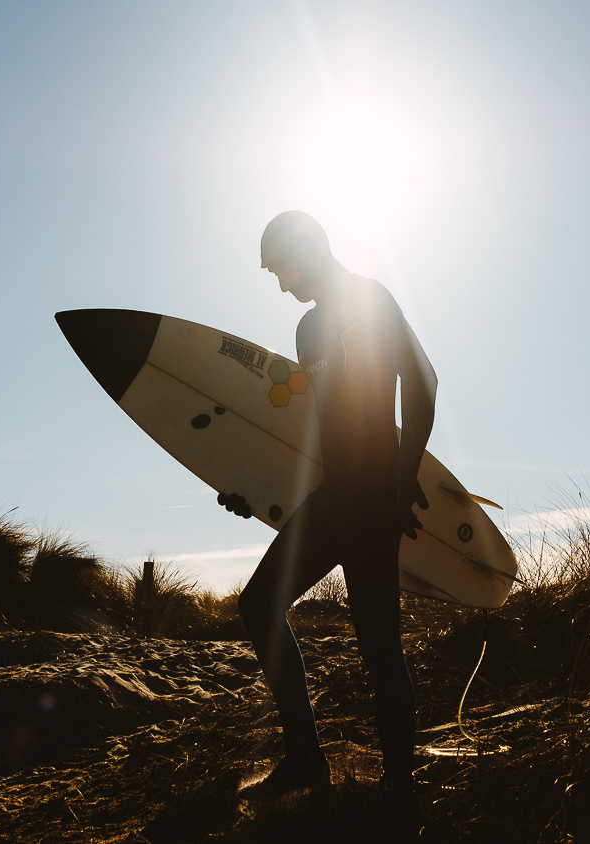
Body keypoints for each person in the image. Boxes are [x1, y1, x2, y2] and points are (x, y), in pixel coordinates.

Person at [234, 210, 437, 799]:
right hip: (335, 495)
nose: (281, 284)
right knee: (259, 604)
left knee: (378, 646)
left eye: (281, 268)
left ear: (310, 248)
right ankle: (306, 760)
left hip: (375, 495)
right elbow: (314, 430)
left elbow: (422, 383)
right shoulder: (307, 331)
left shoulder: (371, 299)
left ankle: (401, 784)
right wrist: (252, 489)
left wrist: (403, 474)